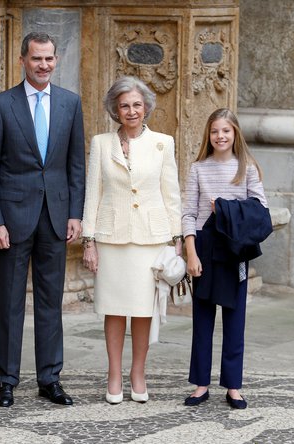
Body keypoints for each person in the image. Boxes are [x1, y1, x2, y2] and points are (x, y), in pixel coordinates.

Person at [0, 32, 85, 407]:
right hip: (12, 217)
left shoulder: (71, 104)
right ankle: (6, 381)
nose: (43, 65)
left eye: (49, 59)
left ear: (56, 61)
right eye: (37, 59)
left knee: (50, 301)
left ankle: (49, 379)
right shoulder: (1, 105)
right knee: (9, 301)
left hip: (56, 216)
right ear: (23, 59)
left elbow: (76, 164)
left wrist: (75, 213)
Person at [81, 76, 182, 404]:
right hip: (112, 238)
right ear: (115, 109)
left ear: (147, 107)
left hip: (150, 239)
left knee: (143, 311)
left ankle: (138, 373)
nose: (131, 110)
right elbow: (93, 193)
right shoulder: (101, 143)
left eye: (137, 104)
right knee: (113, 309)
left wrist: (176, 240)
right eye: (125, 105)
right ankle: (113, 375)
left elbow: (172, 195)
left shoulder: (163, 143)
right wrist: (89, 241)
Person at [182, 108, 270, 410]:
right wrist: (190, 253)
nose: (220, 136)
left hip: (234, 252)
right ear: (208, 135)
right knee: (202, 320)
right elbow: (189, 213)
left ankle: (233, 385)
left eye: (226, 131)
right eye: (215, 131)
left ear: (235, 134)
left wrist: (224, 209)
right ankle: (201, 383)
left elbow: (260, 208)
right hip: (204, 248)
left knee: (235, 320)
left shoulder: (246, 168)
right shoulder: (198, 169)